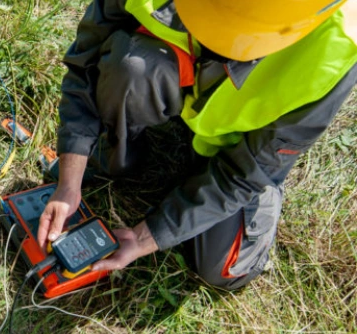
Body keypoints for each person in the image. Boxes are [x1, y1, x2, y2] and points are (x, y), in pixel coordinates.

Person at [36, 0, 357, 290]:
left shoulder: (337, 44)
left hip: (235, 147)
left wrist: (144, 237)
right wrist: (70, 180)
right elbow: (85, 61)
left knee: (222, 269)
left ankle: (246, 203)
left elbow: (246, 173)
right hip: (170, 71)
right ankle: (114, 152)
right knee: (130, 68)